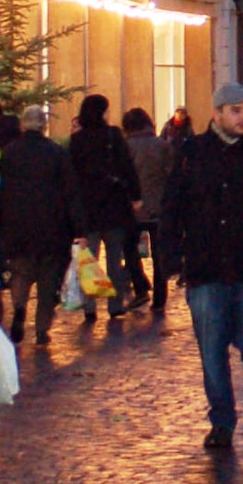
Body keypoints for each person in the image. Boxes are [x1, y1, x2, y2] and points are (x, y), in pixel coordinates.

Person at [162, 81, 243, 451]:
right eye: (235, 111)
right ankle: (222, 420)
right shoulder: (192, 152)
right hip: (205, 268)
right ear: (217, 114)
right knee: (212, 349)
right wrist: (175, 257)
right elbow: (172, 207)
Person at [0, 104, 75, 346]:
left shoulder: (9, 153)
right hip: (52, 227)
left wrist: (0, 222)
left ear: (23, 124)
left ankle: (19, 306)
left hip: (18, 225)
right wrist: (77, 227)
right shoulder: (57, 153)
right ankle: (42, 328)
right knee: (48, 280)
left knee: (21, 272)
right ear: (44, 125)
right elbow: (70, 192)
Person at [68, 93, 141, 322]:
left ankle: (90, 307)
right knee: (114, 258)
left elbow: (71, 177)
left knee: (89, 260)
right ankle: (115, 305)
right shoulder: (113, 135)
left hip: (88, 207)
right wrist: (135, 195)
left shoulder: (77, 140)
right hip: (114, 204)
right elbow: (127, 167)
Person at [122, 107, 173, 313]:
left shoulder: (126, 147)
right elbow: (171, 174)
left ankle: (140, 285)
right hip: (159, 208)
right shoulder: (162, 145)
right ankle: (160, 297)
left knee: (130, 248)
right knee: (159, 253)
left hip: (132, 208)